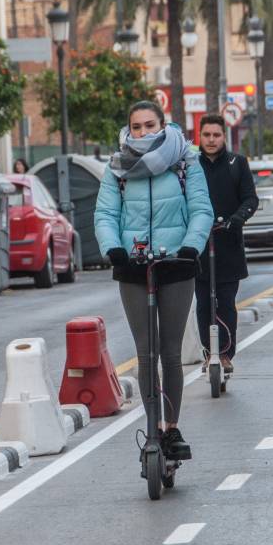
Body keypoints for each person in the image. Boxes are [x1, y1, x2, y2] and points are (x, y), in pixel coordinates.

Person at [94, 100, 213, 461]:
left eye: (150, 125)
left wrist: (192, 246)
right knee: (146, 353)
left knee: (170, 352)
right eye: (136, 127)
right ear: (128, 130)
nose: (143, 133)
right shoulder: (117, 168)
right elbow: (104, 213)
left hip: (177, 263)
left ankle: (170, 427)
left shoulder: (185, 161)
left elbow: (201, 209)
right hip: (134, 267)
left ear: (163, 126)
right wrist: (113, 247)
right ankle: (151, 427)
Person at [194, 114, 257, 375]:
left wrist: (236, 220)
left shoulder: (236, 163)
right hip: (197, 247)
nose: (211, 140)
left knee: (226, 302)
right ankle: (210, 353)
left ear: (224, 136)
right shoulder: (190, 165)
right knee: (203, 304)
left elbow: (250, 199)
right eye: (206, 135)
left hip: (228, 245)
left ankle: (227, 354)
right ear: (200, 136)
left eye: (216, 135)